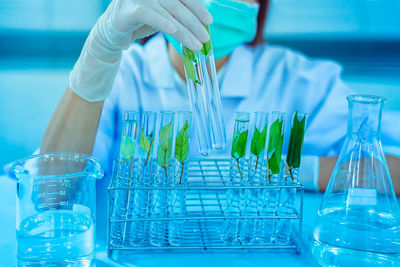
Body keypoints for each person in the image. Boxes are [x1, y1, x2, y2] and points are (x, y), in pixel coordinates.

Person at [41, 0, 400, 196]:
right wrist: (97, 57)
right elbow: (51, 191)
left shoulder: (297, 78)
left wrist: (284, 172)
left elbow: (395, 168)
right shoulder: (124, 73)